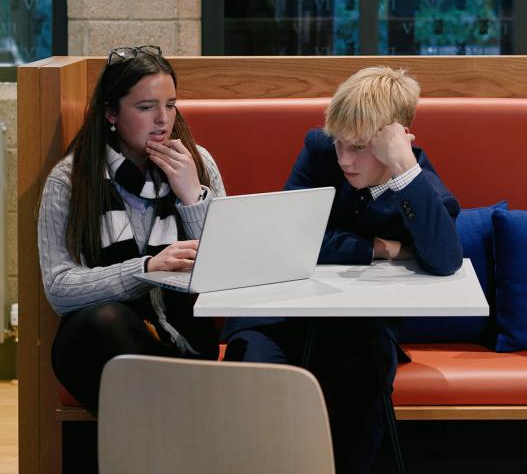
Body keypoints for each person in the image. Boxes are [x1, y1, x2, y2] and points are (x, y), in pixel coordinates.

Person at [222, 65, 462, 472]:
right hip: (278, 316)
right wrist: (380, 248)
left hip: (360, 327)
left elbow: (444, 260)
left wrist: (404, 168)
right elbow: (289, 235)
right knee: (254, 384)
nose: (344, 159)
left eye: (359, 146)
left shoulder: (422, 189)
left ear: (395, 140)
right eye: (340, 144)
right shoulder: (318, 150)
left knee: (362, 383)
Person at [39, 45, 226, 413]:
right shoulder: (71, 180)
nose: (163, 119)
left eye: (170, 105)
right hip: (103, 342)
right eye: (146, 108)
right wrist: (146, 270)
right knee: (105, 322)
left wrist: (192, 197)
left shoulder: (197, 164)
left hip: (185, 334)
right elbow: (59, 288)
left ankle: (160, 445)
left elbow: (225, 270)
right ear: (111, 113)